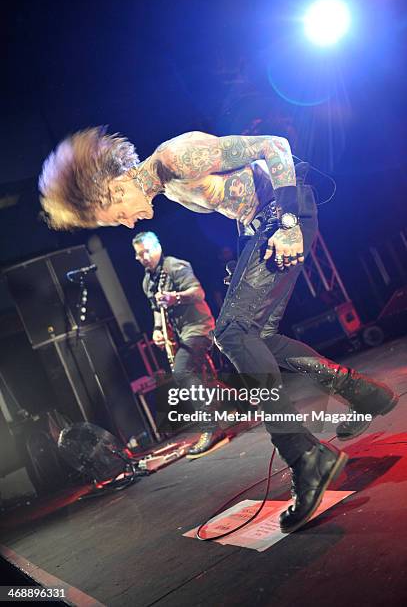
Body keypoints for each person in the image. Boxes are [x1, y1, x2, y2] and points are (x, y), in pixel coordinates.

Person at [39, 128, 398, 533]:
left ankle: (305, 457)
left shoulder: (177, 157)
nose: (127, 223)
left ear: (114, 186)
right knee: (255, 338)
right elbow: (242, 193)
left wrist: (288, 224)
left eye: (117, 215)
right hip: (260, 229)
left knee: (232, 334)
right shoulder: (172, 188)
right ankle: (362, 392)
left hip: (281, 220)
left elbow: (274, 146)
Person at [132, 230, 227, 458]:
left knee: (182, 371)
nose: (144, 257)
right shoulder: (148, 281)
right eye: (140, 254)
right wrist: (157, 331)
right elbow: (157, 309)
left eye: (147, 251)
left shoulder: (174, 266)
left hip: (200, 327)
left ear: (158, 248)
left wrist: (176, 297)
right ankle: (252, 398)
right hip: (181, 334)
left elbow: (198, 293)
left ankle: (210, 428)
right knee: (206, 379)